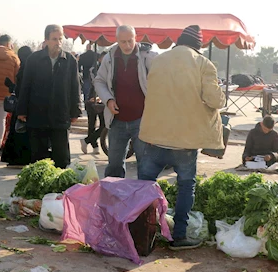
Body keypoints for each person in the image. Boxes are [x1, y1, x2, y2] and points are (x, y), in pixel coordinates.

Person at [138, 25, 226, 250]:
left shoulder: (158, 60)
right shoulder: (203, 64)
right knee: (186, 186)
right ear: (198, 45)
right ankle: (178, 236)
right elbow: (215, 100)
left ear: (179, 41)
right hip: (184, 142)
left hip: (154, 136)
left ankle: (139, 234)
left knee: (144, 187)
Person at [94, 25, 158, 178]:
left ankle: (145, 200)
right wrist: (108, 100)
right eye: (123, 42)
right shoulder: (109, 58)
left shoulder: (148, 57)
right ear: (116, 40)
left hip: (142, 120)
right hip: (117, 120)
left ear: (136, 38)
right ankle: (114, 197)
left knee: (145, 165)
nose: (128, 45)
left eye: (130, 41)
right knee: (114, 165)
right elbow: (99, 81)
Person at [17, 24, 81, 169]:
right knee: (39, 159)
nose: (58, 42)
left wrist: (75, 110)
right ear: (46, 40)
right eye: (54, 39)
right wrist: (22, 110)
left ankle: (60, 189)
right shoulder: (34, 59)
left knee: (61, 157)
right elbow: (25, 85)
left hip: (60, 113)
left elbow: (75, 87)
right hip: (37, 113)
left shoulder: (69, 60)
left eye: (60, 39)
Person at [1, 46, 34, 168]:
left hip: (22, 106)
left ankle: (17, 159)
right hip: (28, 105)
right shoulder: (31, 67)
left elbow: (22, 88)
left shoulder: (24, 68)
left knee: (19, 132)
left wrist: (12, 86)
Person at [82, 51, 106, 155]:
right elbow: (96, 83)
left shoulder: (108, 69)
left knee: (104, 125)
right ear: (99, 59)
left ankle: (87, 141)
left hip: (103, 99)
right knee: (91, 123)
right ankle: (94, 145)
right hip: (92, 98)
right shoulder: (93, 69)